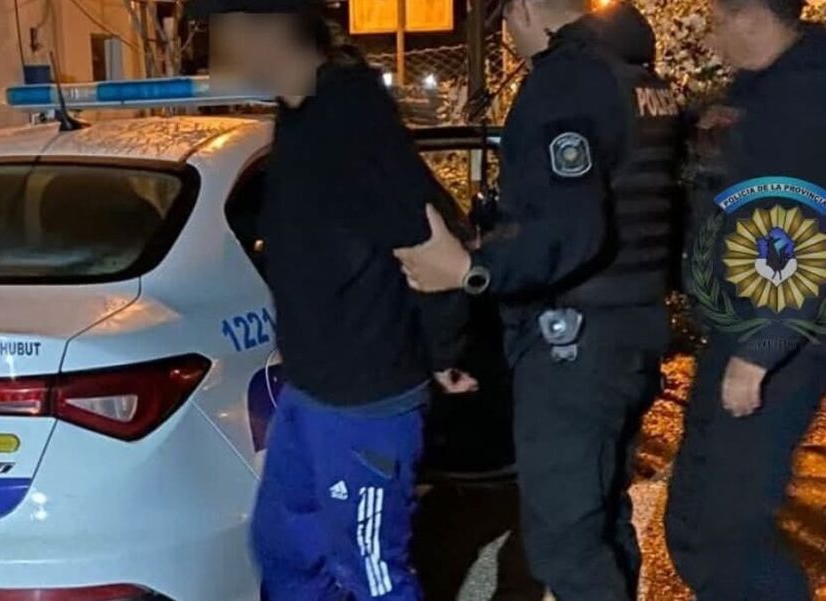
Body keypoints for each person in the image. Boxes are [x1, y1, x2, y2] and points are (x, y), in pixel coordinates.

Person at [393, 2, 683, 600]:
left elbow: (570, 227)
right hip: (629, 330)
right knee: (600, 517)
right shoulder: (637, 76)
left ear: (523, 9)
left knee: (564, 542)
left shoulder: (567, 80)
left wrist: (471, 270)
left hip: (574, 345)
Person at [187, 1, 473, 599]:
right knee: (285, 550)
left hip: (366, 397)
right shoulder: (298, 114)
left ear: (272, 28)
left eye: (223, 32)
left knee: (370, 571)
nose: (217, 51)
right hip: (311, 390)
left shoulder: (350, 120)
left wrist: (444, 351)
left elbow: (432, 239)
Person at [662, 1, 826, 598]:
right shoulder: (762, 89)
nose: (710, 37)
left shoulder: (801, 100)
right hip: (740, 326)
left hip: (780, 337)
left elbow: (805, 232)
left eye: (718, 21)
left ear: (751, 18)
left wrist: (760, 352)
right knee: (693, 520)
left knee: (728, 531)